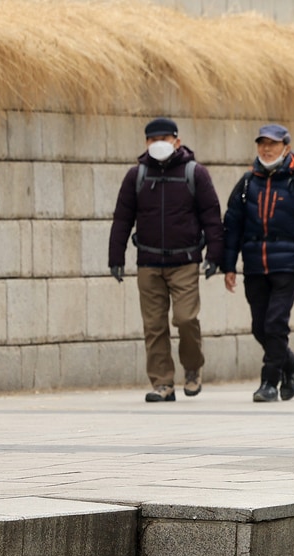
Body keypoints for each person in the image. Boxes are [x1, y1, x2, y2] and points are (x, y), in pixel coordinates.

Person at [109, 117, 224, 403]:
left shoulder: (195, 173)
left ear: (177, 141)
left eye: (164, 138)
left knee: (185, 319)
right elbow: (122, 218)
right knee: (154, 326)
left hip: (184, 262)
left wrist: (215, 254)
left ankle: (193, 368)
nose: (158, 144)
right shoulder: (136, 176)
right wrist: (116, 255)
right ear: (145, 143)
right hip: (148, 263)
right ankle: (162, 383)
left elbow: (211, 216)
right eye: (152, 139)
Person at [221, 124, 294, 403]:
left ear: (286, 147)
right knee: (260, 327)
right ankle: (292, 365)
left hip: (288, 265)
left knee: (275, 324)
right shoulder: (247, 182)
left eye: (273, 144)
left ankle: (269, 382)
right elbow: (232, 226)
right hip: (254, 264)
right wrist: (228, 266)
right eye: (262, 144)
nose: (267, 149)